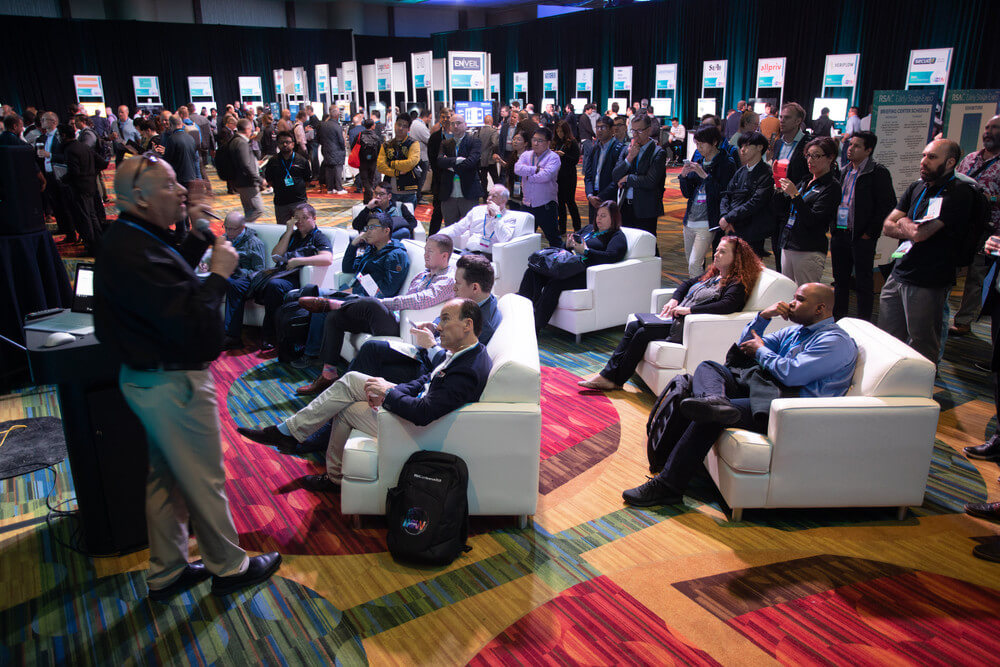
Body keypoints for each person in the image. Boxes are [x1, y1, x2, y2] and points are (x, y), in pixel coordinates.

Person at [93, 154, 281, 600]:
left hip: (147, 379)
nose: (183, 191)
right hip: (172, 382)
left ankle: (168, 571)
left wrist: (197, 236)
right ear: (139, 196)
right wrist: (218, 276)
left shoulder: (129, 237)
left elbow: (169, 281)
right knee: (203, 480)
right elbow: (192, 323)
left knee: (167, 481)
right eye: (171, 185)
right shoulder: (136, 249)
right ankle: (230, 568)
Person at [621, 283, 857, 506]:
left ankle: (668, 488)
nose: (791, 303)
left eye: (799, 299)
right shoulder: (797, 331)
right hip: (766, 389)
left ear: (820, 308)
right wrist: (764, 317)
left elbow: (791, 374)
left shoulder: (833, 341)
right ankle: (716, 401)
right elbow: (745, 345)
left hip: (789, 408)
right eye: (793, 297)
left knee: (712, 417)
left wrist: (762, 350)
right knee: (709, 368)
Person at [236, 298, 493, 492]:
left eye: (446, 319)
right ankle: (322, 465)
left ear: (467, 325)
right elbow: (426, 379)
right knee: (350, 389)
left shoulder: (468, 369)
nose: (439, 326)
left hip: (420, 431)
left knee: (349, 390)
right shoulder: (463, 354)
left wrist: (389, 395)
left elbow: (424, 414)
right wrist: (389, 390)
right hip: (413, 412)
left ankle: (290, 435)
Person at [580, 236, 762, 391]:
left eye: (723, 252)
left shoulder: (736, 284)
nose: (716, 254)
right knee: (636, 324)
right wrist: (675, 299)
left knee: (642, 332)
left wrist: (689, 310)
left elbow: (726, 306)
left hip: (690, 327)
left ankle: (612, 379)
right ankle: (610, 376)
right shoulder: (715, 275)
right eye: (717, 250)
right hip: (676, 320)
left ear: (736, 257)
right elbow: (685, 284)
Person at [294, 231, 450, 392]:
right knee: (335, 317)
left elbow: (420, 300)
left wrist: (384, 302)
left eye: (430, 251)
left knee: (373, 303)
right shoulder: (421, 275)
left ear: (444, 256)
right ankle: (328, 374)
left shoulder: (448, 280)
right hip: (395, 315)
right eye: (425, 250)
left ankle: (336, 302)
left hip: (405, 326)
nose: (425, 255)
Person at [879, 139, 976, 362]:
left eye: (931, 157)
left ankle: (921, 391)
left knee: (921, 344)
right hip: (900, 271)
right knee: (888, 338)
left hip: (929, 279)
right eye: (924, 155)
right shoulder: (917, 187)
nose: (923, 161)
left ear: (950, 162)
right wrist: (909, 227)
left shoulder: (959, 193)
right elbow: (887, 226)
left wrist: (904, 223)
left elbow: (920, 234)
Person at [344, 255, 501, 391]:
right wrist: (433, 326)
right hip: (423, 354)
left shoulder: (483, 326)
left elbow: (453, 364)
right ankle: (344, 396)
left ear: (475, 287)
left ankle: (343, 403)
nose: (453, 288)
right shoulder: (474, 300)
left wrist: (432, 346)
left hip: (429, 370)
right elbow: (446, 319)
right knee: (371, 348)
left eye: (458, 283)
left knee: (369, 368)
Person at [518, 200, 628, 330]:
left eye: (603, 216)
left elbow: (611, 256)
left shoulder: (616, 236)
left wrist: (587, 251)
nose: (598, 219)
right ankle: (521, 315)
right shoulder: (589, 229)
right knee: (533, 271)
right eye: (597, 215)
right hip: (566, 266)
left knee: (555, 283)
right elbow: (565, 246)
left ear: (613, 218)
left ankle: (534, 327)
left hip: (584, 273)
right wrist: (568, 245)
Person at [830, 131, 896, 321]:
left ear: (868, 150)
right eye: (850, 144)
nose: (850, 149)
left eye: (857, 146)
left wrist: (869, 233)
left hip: (861, 237)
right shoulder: (843, 171)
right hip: (840, 233)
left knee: (863, 282)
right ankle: (839, 318)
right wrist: (834, 228)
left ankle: (864, 321)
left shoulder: (877, 172)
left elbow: (886, 206)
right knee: (840, 280)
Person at [257, 203, 334, 351]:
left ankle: (270, 335)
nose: (300, 221)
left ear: (314, 219)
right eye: (296, 218)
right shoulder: (292, 235)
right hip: (283, 274)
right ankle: (273, 333)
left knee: (275, 285)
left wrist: (300, 261)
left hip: (300, 278)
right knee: (268, 284)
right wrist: (288, 232)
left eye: (305, 218)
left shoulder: (319, 237)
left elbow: (327, 258)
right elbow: (275, 256)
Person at [950, 115, 1000, 335]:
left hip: (989, 230)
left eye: (994, 128)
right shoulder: (970, 158)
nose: (988, 131)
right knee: (949, 269)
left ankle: (964, 321)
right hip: (961, 226)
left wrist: (987, 199)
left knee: (976, 277)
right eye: (987, 127)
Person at [773, 137, 841, 285]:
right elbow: (784, 210)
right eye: (808, 155)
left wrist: (795, 195)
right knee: (787, 293)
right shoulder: (805, 181)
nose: (810, 160)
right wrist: (779, 189)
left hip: (808, 249)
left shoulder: (831, 187)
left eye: (816, 156)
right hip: (789, 243)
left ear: (830, 158)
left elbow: (813, 220)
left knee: (805, 298)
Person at [679, 125, 736, 277]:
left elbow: (723, 193)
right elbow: (687, 193)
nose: (698, 148)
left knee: (694, 263)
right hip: (690, 219)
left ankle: (697, 295)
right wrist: (683, 177)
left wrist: (704, 175)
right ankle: (697, 290)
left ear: (715, 142)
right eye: (696, 144)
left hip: (708, 221)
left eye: (702, 144)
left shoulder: (726, 163)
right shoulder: (698, 158)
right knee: (691, 263)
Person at [610, 113, 668, 253]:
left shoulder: (658, 152)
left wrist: (628, 179)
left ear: (648, 130)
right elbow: (615, 175)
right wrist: (629, 158)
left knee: (647, 246)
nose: (635, 135)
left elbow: (651, 181)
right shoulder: (627, 149)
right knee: (628, 245)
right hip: (625, 206)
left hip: (646, 208)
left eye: (639, 131)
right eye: (633, 130)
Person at [767, 103, 809, 272]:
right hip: (776, 202)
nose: (782, 121)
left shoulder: (807, 144)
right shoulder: (778, 144)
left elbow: (807, 176)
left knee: (789, 252)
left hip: (795, 203)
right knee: (777, 248)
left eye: (787, 118)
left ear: (798, 121)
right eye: (781, 117)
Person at [719, 131, 774, 257]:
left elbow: (755, 203)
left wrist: (728, 218)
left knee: (749, 270)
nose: (742, 150)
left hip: (752, 230)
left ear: (760, 147)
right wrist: (725, 216)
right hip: (733, 227)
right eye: (741, 146)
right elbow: (727, 195)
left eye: (747, 146)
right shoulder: (741, 171)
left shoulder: (766, 173)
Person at [58, 122, 107, 254]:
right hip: (91, 185)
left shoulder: (70, 150)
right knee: (92, 216)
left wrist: (63, 179)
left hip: (79, 187)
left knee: (85, 217)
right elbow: (103, 163)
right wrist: (91, 173)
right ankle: (98, 243)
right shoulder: (83, 147)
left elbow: (75, 172)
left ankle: (91, 246)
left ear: (63, 135)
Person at [220, 212, 266, 348]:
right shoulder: (224, 239)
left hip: (245, 280)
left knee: (232, 284)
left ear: (242, 227)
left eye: (232, 229)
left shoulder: (254, 243)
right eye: (226, 227)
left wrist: (237, 270)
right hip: (227, 275)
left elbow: (259, 271)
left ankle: (232, 336)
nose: (228, 232)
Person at [439, 184, 520, 257]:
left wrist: (497, 216)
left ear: (504, 200)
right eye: (489, 195)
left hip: (489, 255)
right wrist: (438, 236)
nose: (489, 199)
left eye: (494, 196)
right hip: (469, 252)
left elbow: (505, 239)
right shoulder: (477, 210)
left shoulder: (510, 217)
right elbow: (458, 228)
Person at [515, 126, 562, 248]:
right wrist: (535, 169)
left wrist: (528, 176)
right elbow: (517, 169)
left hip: (545, 205)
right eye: (534, 139)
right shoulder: (526, 155)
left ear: (548, 142)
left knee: (554, 239)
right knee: (523, 239)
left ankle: (559, 263)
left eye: (540, 140)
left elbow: (545, 176)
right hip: (527, 204)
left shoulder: (553, 157)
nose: (535, 143)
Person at [437, 115, 483, 225]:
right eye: (452, 123)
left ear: (465, 125)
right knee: (450, 229)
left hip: (468, 192)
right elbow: (439, 162)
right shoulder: (445, 143)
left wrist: (450, 165)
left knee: (472, 228)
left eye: (458, 123)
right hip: (449, 194)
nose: (455, 126)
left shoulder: (474, 141)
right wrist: (457, 160)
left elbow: (471, 162)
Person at [262, 131, 312, 227]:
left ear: (293, 144)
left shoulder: (302, 160)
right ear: (278, 145)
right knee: (283, 229)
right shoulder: (273, 161)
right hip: (281, 202)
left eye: (287, 142)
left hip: (298, 200)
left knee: (303, 228)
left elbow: (307, 180)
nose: (285, 144)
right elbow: (269, 179)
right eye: (281, 142)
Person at [584, 115, 625, 224]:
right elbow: (588, 175)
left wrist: (600, 197)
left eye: (603, 127)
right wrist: (590, 195)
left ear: (611, 129)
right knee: (593, 228)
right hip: (593, 197)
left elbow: (617, 178)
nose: (599, 131)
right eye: (597, 128)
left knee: (608, 229)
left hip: (609, 197)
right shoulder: (595, 148)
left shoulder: (619, 148)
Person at [377, 114, 421, 205]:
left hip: (408, 190)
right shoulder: (386, 145)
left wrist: (391, 164)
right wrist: (396, 172)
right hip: (389, 190)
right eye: (399, 125)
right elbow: (380, 166)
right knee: (390, 218)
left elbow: (411, 162)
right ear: (395, 125)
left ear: (408, 129)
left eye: (404, 126)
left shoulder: (413, 143)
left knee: (408, 218)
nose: (400, 128)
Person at [352, 180, 419, 240]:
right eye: (376, 193)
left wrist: (395, 226)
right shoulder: (369, 209)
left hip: (395, 240)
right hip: (374, 243)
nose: (377, 197)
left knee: (404, 231)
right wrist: (368, 208)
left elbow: (412, 222)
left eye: (381, 194)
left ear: (389, 196)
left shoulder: (399, 206)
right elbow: (356, 225)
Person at [228, 118, 264, 222]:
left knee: (249, 210)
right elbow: (245, 165)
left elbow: (241, 161)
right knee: (258, 209)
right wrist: (260, 179)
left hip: (240, 181)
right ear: (248, 129)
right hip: (247, 182)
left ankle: (246, 232)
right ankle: (238, 226)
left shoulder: (234, 140)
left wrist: (255, 163)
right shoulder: (241, 142)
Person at [551, 120, 582, 234]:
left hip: (569, 176)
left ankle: (577, 228)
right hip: (558, 176)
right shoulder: (555, 142)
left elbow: (575, 160)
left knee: (570, 202)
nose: (559, 133)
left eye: (561, 131)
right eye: (557, 131)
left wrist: (563, 156)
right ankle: (562, 227)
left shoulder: (572, 142)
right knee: (560, 203)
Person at [427, 107, 453, 233]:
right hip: (439, 181)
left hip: (456, 181)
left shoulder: (458, 136)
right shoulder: (435, 137)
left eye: (448, 117)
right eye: (443, 117)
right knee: (437, 212)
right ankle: (432, 238)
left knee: (455, 216)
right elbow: (432, 159)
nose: (446, 119)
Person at [318, 105, 347, 194]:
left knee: (329, 169)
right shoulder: (337, 126)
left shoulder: (323, 125)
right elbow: (341, 140)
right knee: (338, 168)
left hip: (326, 149)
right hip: (337, 150)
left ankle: (330, 188)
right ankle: (339, 188)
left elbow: (318, 138)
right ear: (337, 115)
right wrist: (343, 148)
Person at [409, 108, 432, 204]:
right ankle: (418, 197)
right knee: (420, 179)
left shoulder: (414, 123)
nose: (430, 120)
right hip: (421, 156)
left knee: (417, 179)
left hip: (415, 155)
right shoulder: (420, 126)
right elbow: (429, 140)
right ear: (425, 117)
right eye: (429, 118)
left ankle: (416, 196)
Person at [357, 118, 382, 203]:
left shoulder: (360, 135)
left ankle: (368, 196)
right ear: (372, 126)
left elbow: (355, 147)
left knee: (365, 180)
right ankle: (368, 197)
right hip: (373, 161)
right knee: (370, 179)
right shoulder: (376, 137)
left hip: (362, 161)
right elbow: (379, 149)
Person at [503, 131, 530, 210]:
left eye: (518, 139)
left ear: (525, 143)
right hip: (514, 189)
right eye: (514, 139)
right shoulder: (513, 155)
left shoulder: (529, 157)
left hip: (525, 192)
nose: (515, 141)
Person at [477, 114, 500, 197]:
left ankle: (484, 195)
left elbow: (476, 143)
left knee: (483, 179)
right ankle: (498, 195)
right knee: (495, 178)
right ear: (491, 121)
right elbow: (495, 143)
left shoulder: (479, 131)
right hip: (490, 159)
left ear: (484, 121)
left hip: (481, 159)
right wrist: (494, 152)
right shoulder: (493, 131)